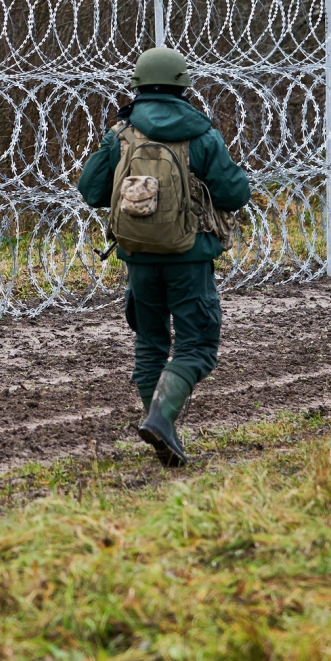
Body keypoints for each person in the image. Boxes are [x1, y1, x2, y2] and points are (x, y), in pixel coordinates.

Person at [77, 47, 251, 467]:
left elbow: (91, 190)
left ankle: (158, 425)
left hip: (138, 257)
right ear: (183, 84)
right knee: (197, 345)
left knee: (150, 343)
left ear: (136, 85)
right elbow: (235, 193)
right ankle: (161, 418)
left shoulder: (121, 134)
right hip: (188, 258)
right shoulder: (201, 134)